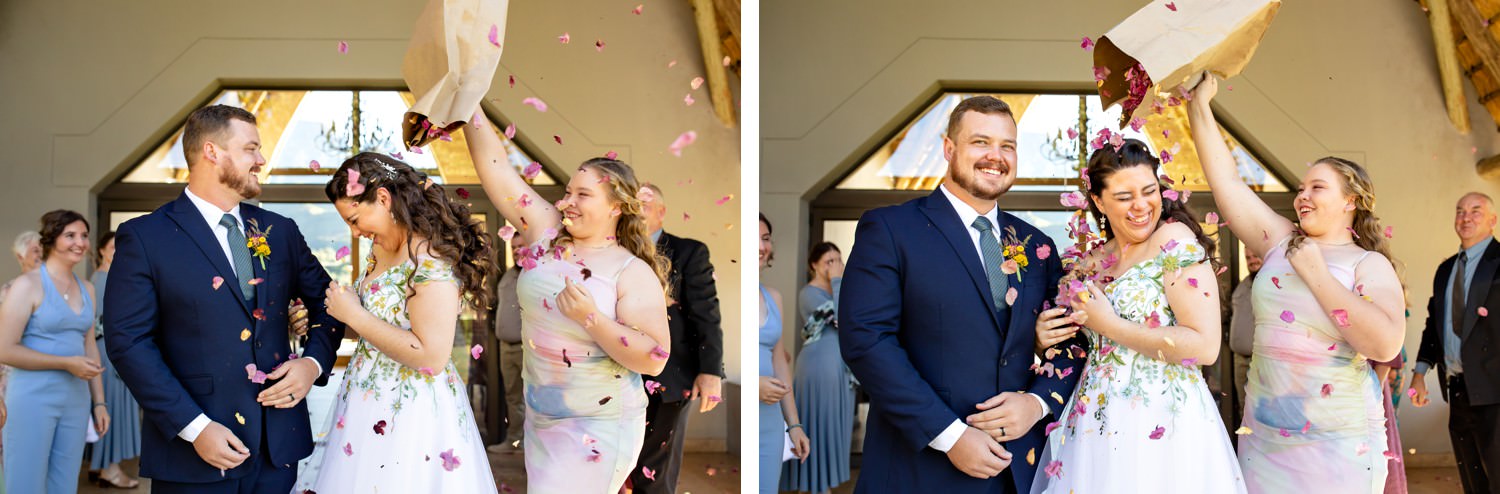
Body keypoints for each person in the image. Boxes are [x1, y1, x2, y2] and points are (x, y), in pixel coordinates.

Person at [838, 96, 1083, 493]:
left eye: (1008, 146)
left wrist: (1037, 404)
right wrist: (949, 435)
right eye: (980, 142)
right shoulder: (890, 229)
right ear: (949, 149)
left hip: (1017, 472)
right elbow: (866, 340)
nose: (996, 156)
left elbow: (1071, 343)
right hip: (920, 468)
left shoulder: (1037, 246)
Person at [103, 105, 345, 493]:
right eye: (251, 148)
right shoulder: (146, 237)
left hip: (277, 448)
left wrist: (312, 365)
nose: (262, 159)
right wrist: (194, 427)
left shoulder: (279, 231)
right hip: (194, 453)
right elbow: (128, 342)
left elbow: (329, 304)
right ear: (212, 152)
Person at [1189, 75, 1405, 493]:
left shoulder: (1369, 264)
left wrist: (1317, 274)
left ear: (1351, 201)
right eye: (1301, 188)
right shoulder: (1280, 243)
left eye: (1317, 188)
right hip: (1264, 443)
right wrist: (1200, 106)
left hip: (1339, 448)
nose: (1302, 196)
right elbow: (1227, 184)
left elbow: (1385, 344)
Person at [465, 116, 672, 493]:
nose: (567, 202)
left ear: (616, 207)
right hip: (543, 418)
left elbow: (655, 356)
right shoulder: (545, 234)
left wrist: (590, 318)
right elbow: (496, 171)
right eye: (568, 192)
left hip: (599, 425)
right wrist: (469, 101)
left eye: (583, 195)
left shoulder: (630, 270)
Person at [1028, 139, 1246, 493]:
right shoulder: (1089, 264)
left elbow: (1205, 347)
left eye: (1149, 191)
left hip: (1163, 420)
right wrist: (1042, 337)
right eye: (1125, 197)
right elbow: (1077, 347)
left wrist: (1109, 325)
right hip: (1096, 422)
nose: (1142, 206)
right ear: (1098, 201)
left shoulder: (1173, 241)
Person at [293, 152, 500, 492]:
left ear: (384, 199)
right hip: (364, 402)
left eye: (356, 219)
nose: (355, 232)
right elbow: (377, 326)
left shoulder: (430, 260)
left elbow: (431, 356)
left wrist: (353, 314)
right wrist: (331, 317)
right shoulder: (380, 250)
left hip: (413, 411)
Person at [0, 210, 107, 493]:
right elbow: (5, 349)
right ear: (51, 240)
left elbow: (89, 346)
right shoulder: (27, 285)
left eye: (84, 236)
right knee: (25, 482)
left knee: (64, 483)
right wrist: (65, 363)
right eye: (70, 235)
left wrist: (99, 402)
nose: (80, 243)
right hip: (31, 398)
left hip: (75, 400)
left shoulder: (87, 289)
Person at [629, 183, 725, 494]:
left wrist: (710, 372)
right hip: (617, 374)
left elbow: (705, 314)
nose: (637, 211)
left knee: (655, 470)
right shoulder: (615, 252)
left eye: (645, 204)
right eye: (633, 204)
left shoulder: (689, 252)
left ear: (662, 212)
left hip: (670, 377)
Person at [1411, 191, 1500, 494]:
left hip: (1495, 390)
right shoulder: (1445, 269)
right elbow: (1433, 325)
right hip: (1458, 389)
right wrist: (1420, 372)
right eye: (1460, 210)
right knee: (1472, 479)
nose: (1466, 217)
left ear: (1493, 220)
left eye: (1476, 211)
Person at [781, 241, 855, 493]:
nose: (835, 266)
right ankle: (812, 485)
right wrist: (837, 281)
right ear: (814, 265)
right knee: (817, 424)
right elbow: (843, 317)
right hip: (818, 368)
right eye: (829, 261)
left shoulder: (844, 288)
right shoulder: (809, 293)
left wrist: (839, 282)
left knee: (835, 427)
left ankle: (823, 484)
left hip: (842, 370)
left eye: (838, 260)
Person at [760, 214, 811, 494]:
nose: (760, 246)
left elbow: (780, 363)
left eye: (765, 238)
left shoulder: (773, 297)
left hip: (769, 421)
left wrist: (794, 424)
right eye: (753, 238)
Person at [89, 231, 142, 489]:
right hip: (109, 353)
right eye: (111, 247)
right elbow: (99, 323)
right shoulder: (102, 279)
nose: (116, 251)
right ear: (101, 250)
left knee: (111, 409)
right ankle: (109, 470)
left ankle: (101, 465)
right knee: (111, 410)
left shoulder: (110, 277)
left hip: (111, 349)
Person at [488, 264, 526, 452]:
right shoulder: (507, 275)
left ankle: (528, 445)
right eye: (514, 248)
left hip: (524, 347)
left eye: (520, 247)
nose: (517, 251)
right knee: (512, 396)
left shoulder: (533, 273)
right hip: (505, 346)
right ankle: (514, 440)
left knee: (529, 397)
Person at [1228, 249, 1263, 428]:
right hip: (1240, 360)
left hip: (1261, 362)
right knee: (1245, 411)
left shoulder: (1272, 284)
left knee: (1262, 412)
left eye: (1255, 256)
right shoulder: (1243, 285)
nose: (1252, 261)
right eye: (1248, 258)